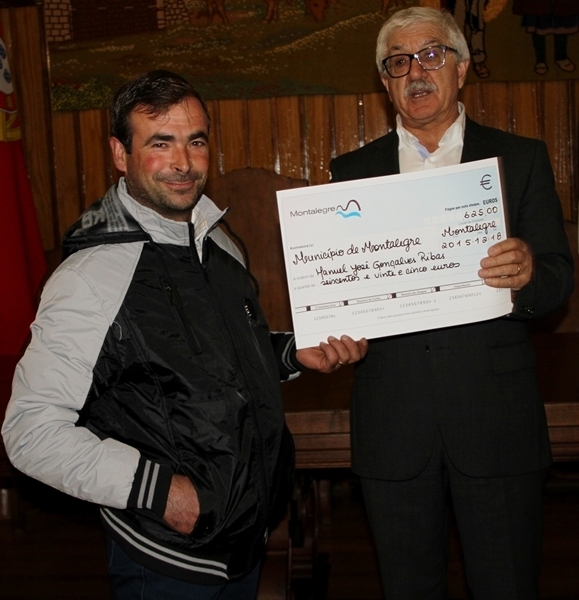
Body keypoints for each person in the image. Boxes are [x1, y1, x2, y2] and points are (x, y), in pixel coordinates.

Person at [1, 70, 367, 600]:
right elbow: (31, 431)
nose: (183, 162)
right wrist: (162, 494)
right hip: (166, 557)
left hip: (244, 538)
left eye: (195, 142)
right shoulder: (90, 277)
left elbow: (214, 360)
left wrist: (292, 353)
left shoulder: (219, 243)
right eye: (160, 143)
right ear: (120, 154)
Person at [330, 7, 573, 599]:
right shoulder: (351, 174)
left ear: (461, 69)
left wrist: (529, 272)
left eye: (432, 55)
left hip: (496, 420)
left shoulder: (520, 159)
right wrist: (336, 324)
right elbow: (341, 291)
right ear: (385, 82)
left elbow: (558, 280)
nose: (416, 71)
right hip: (393, 423)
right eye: (398, 62)